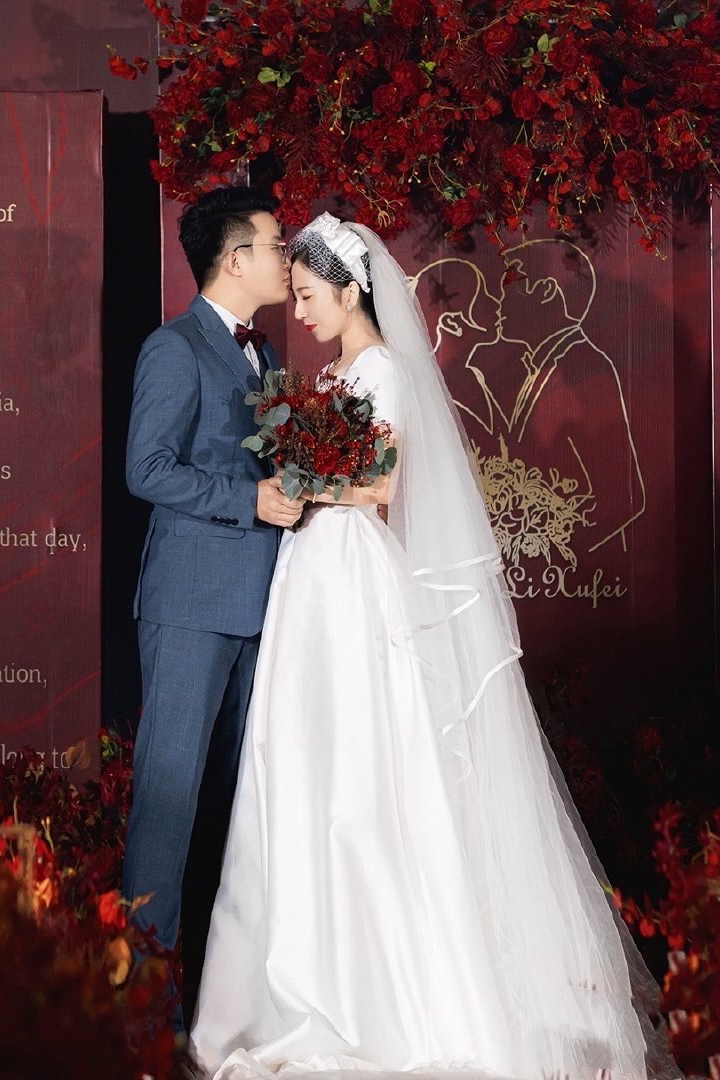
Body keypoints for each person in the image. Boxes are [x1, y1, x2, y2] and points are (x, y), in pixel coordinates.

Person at [189, 213, 679, 1080]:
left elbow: (381, 483)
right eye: (293, 296)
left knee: (361, 766)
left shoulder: (382, 370)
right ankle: (294, 978)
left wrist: (303, 482)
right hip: (314, 570)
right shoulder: (336, 372)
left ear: (351, 290)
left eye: (308, 295)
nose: (299, 312)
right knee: (300, 759)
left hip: (350, 572)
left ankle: (379, 992)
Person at [121, 185, 305, 1030]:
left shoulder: (266, 357)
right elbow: (146, 469)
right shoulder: (175, 347)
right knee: (168, 811)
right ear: (236, 259)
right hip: (193, 608)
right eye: (276, 245)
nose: (287, 259)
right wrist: (249, 499)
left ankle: (214, 1011)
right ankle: (142, 1022)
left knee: (238, 818)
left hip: (262, 611)